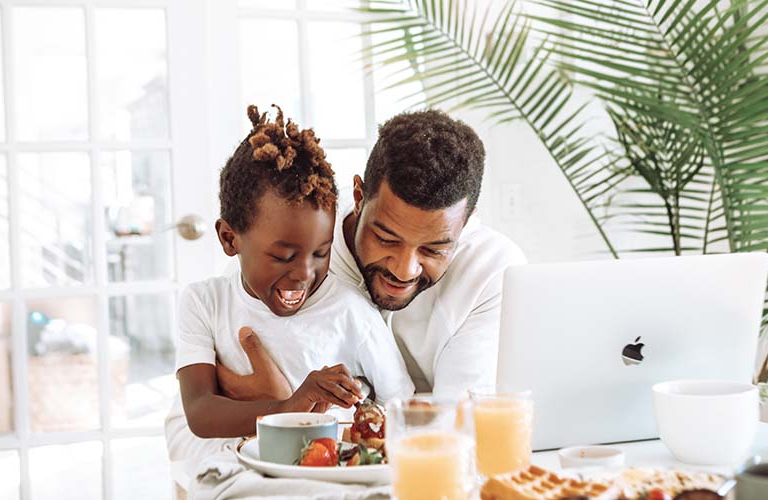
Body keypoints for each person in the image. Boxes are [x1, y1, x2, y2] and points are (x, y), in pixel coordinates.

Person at [218, 109, 526, 401]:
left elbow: (462, 427)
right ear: (358, 197)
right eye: (386, 239)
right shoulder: (293, 255)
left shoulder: (493, 271)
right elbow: (187, 429)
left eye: (433, 249)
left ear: (467, 222)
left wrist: (287, 409)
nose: (404, 271)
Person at [165, 105, 413, 461]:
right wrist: (292, 404)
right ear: (229, 239)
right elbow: (201, 413)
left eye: (320, 253)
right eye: (283, 256)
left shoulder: (349, 310)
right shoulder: (205, 302)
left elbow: (400, 402)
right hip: (239, 467)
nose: (303, 274)